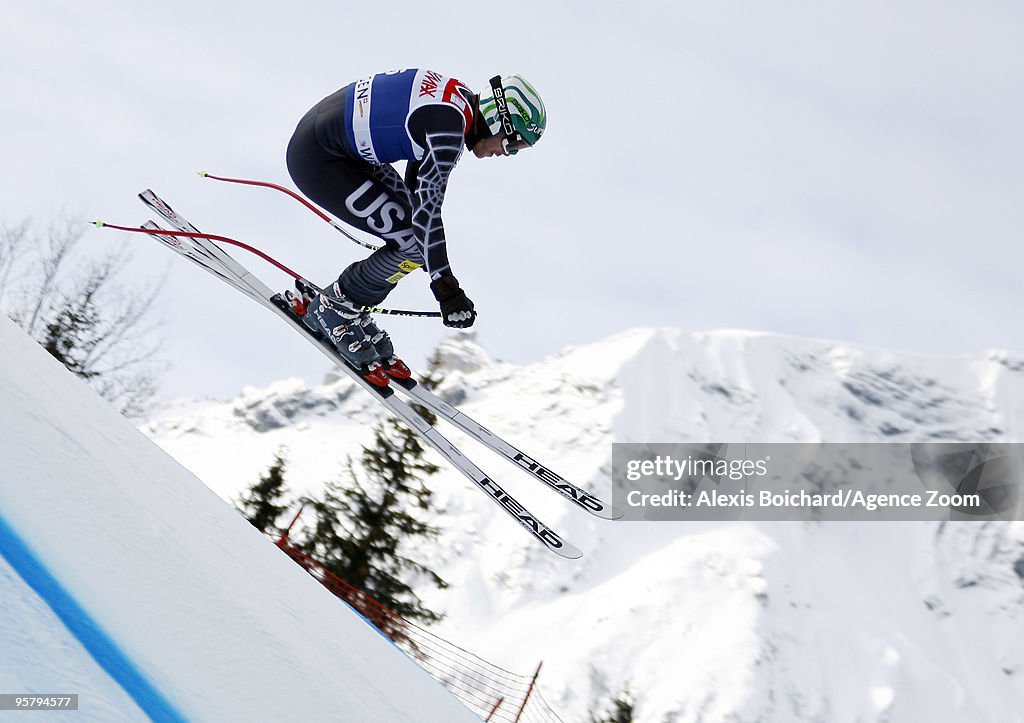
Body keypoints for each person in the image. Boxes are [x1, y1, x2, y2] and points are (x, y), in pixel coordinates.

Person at [285, 68, 546, 385]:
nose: (507, 153)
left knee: (416, 240)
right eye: (514, 142)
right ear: (497, 118)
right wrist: (447, 289)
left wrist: (438, 273)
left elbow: (418, 190)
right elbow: (428, 211)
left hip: (337, 148)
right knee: (414, 242)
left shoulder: (455, 104)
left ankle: (348, 302)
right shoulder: (449, 133)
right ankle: (335, 308)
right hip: (322, 157)